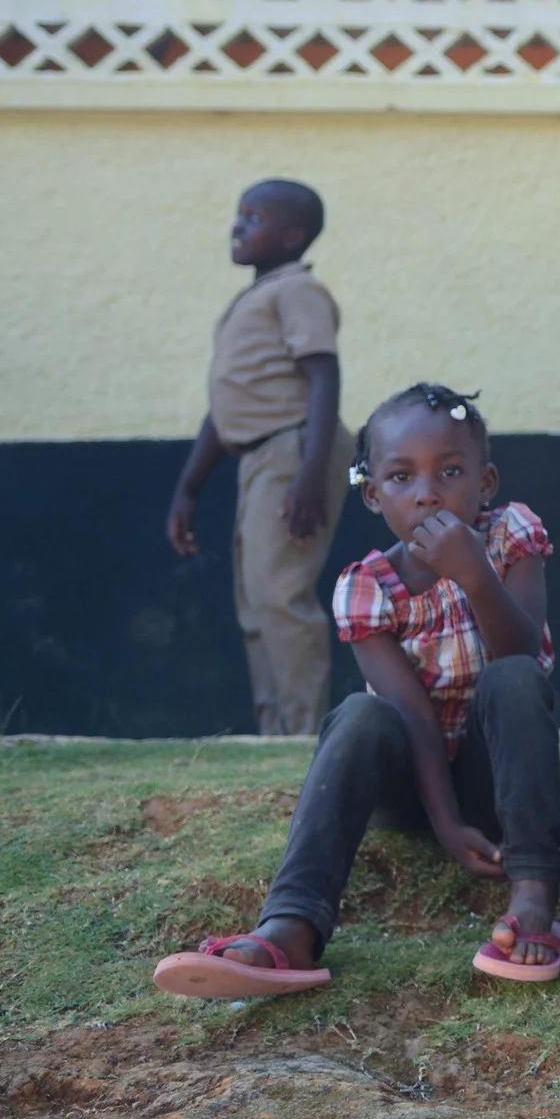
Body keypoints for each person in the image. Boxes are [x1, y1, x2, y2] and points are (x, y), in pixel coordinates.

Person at [153, 387, 560, 1000]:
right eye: (401, 476)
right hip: (411, 786)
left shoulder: (509, 535)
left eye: (451, 472)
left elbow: (521, 653)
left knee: (513, 678)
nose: (427, 493)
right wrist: (446, 824)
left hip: (500, 780)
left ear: (486, 483)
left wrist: (475, 574)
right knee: (361, 714)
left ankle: (533, 897)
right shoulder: (367, 586)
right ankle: (289, 926)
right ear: (372, 494)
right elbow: (410, 714)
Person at [166, 179, 349, 736]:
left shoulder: (297, 290)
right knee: (256, 602)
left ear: (293, 236)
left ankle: (302, 736)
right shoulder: (258, 296)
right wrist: (189, 489)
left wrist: (310, 474)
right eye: (239, 214)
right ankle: (274, 739)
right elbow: (226, 409)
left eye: (255, 217)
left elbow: (324, 376)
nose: (238, 225)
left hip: (294, 449)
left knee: (280, 594)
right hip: (262, 456)